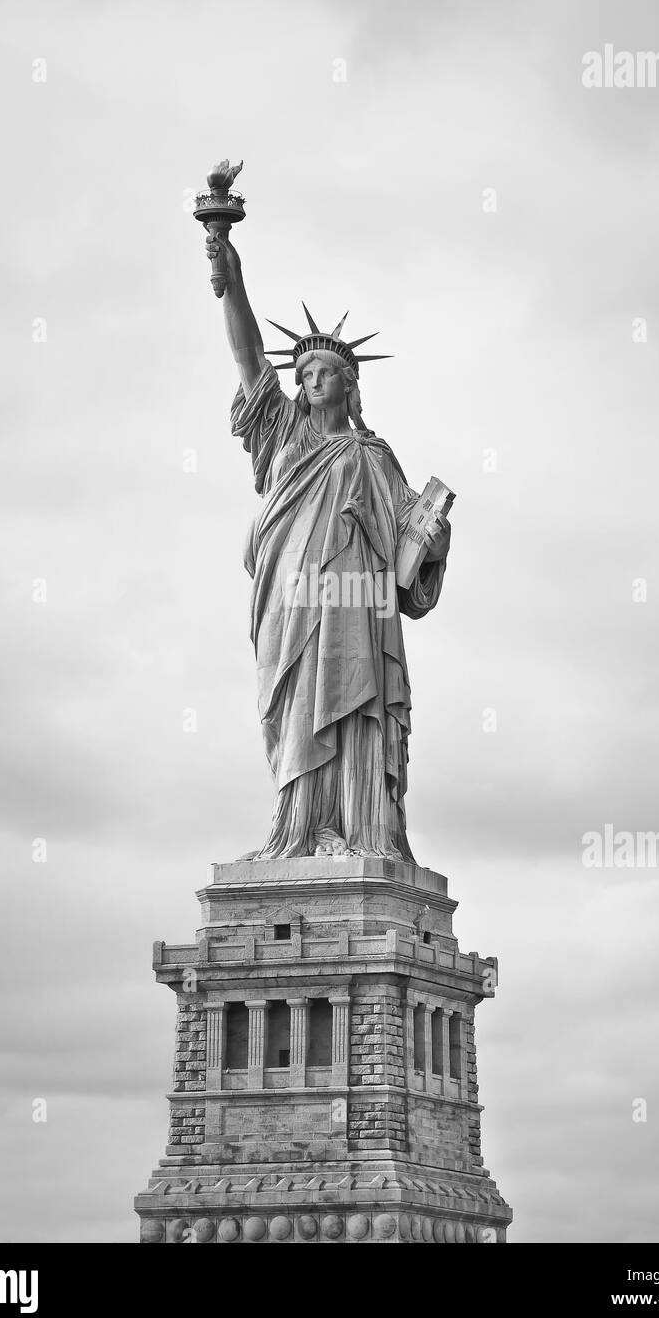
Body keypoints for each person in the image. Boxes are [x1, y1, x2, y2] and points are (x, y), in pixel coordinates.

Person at [207, 230, 451, 861]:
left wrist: (435, 534)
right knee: (295, 707)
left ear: (349, 385)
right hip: (292, 599)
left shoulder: (373, 455)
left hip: (357, 601)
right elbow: (247, 356)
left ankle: (361, 829)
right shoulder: (284, 432)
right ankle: (300, 827)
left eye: (324, 373)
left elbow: (406, 550)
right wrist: (226, 262)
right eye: (304, 373)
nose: (310, 381)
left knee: (356, 704)